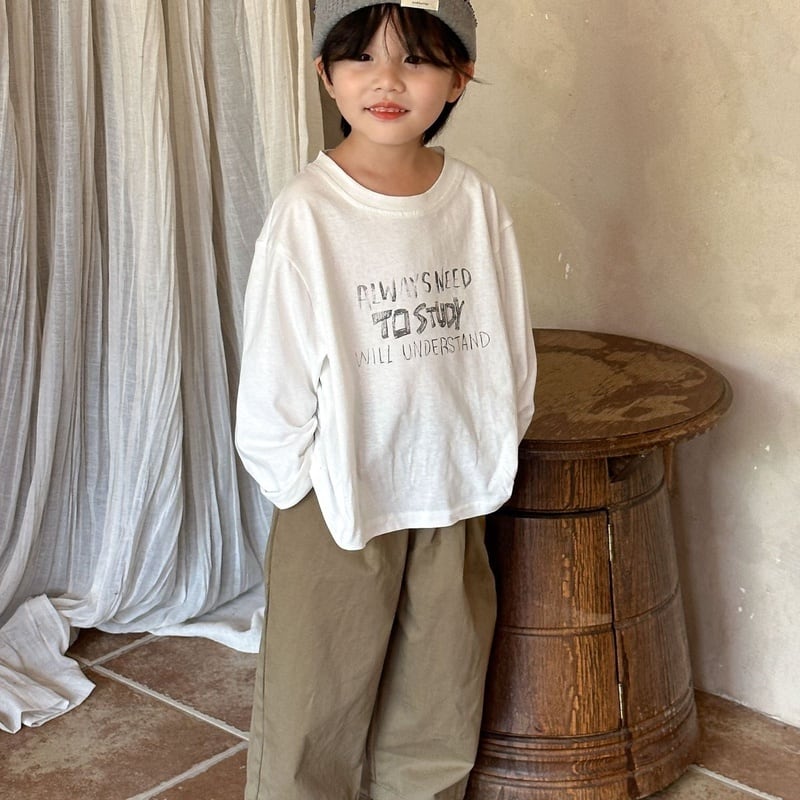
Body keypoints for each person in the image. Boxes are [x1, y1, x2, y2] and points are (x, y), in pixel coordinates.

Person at [235, 1, 537, 798]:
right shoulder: (308, 213)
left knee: (439, 700)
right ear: (325, 75)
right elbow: (272, 372)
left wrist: (495, 439)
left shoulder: (473, 202)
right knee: (314, 705)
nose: (388, 80)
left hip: (450, 486)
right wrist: (296, 481)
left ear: (459, 77)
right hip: (337, 493)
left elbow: (507, 340)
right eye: (362, 56)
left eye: (418, 59)